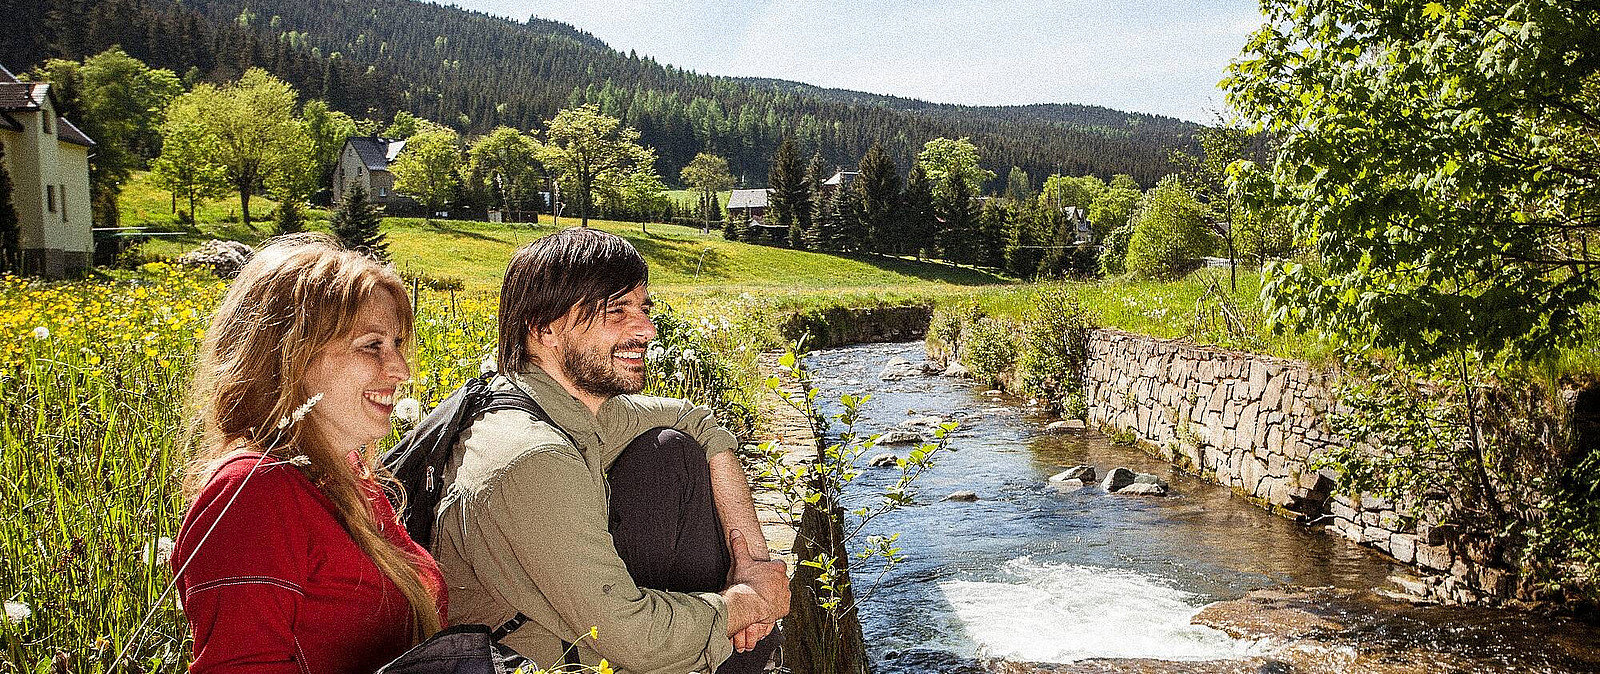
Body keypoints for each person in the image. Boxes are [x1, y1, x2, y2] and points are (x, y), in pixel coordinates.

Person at [431, 227, 789, 673]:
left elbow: (697, 421)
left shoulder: (559, 403)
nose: (647, 329)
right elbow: (633, 638)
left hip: (578, 625)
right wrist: (749, 602)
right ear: (543, 328)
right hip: (548, 658)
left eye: (643, 309)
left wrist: (751, 560)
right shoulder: (533, 457)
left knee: (670, 452)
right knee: (738, 640)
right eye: (617, 311)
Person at [172, 233, 447, 673]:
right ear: (291, 354)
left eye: (396, 344)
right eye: (372, 345)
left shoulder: (345, 477)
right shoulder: (254, 492)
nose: (401, 370)